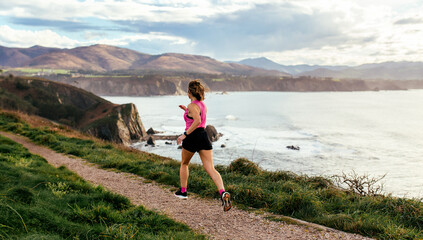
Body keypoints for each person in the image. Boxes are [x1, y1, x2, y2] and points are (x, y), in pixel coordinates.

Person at [174, 80, 232, 212]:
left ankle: (183, 192)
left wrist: (184, 135)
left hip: (192, 136)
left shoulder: (192, 105)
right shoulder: (202, 105)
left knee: (184, 164)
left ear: (189, 92)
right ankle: (223, 193)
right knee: (211, 168)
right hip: (203, 136)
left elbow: (197, 121)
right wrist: (186, 110)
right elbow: (196, 115)